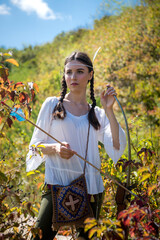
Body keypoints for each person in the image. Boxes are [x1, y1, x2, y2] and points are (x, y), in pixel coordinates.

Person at [26, 51, 126, 240]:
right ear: (64, 75)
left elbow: (116, 144)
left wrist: (109, 110)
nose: (73, 77)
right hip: (56, 184)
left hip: (90, 188)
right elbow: (34, 148)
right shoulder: (52, 105)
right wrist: (55, 149)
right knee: (39, 236)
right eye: (69, 72)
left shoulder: (97, 112)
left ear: (90, 75)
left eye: (80, 71)